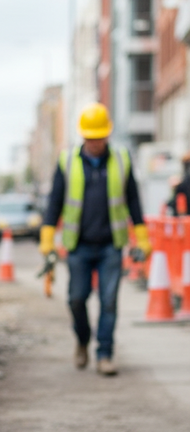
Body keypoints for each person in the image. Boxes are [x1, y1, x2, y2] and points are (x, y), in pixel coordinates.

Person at [39, 103, 151, 376]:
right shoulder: (67, 161)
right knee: (77, 299)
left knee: (109, 301)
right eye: (91, 138)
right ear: (83, 137)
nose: (95, 142)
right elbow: (54, 203)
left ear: (107, 135)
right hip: (78, 246)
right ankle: (82, 340)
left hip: (111, 245)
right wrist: (47, 239)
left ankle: (104, 355)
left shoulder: (122, 160)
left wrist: (142, 238)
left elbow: (133, 200)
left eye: (99, 137)